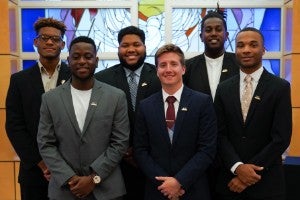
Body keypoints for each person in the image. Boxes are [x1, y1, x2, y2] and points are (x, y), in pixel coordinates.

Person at [37, 36, 130, 200]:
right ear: (68, 60)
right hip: (65, 190)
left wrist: (93, 179)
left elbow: (120, 142)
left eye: (88, 56)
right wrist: (70, 178)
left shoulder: (115, 97)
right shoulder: (50, 99)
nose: (82, 61)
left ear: (96, 60)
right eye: (76, 56)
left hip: (107, 191)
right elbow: (45, 143)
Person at [214, 27, 292, 200]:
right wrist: (237, 167)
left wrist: (248, 173)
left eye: (253, 45)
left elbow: (281, 137)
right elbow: (219, 134)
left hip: (267, 183)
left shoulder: (280, 87)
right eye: (240, 45)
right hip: (229, 182)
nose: (246, 50)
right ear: (235, 50)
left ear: (263, 49)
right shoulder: (223, 88)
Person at [133, 44, 217, 200]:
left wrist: (180, 181)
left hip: (193, 189)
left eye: (174, 64)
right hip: (158, 189)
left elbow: (207, 149)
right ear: (157, 71)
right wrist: (167, 184)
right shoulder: (145, 106)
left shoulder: (202, 102)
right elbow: (140, 150)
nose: (168, 69)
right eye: (162, 65)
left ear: (183, 69)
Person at [5, 17, 70, 200]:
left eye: (55, 39)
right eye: (44, 38)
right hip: (33, 171)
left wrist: (61, 166)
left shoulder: (75, 77)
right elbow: (14, 126)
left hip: (71, 170)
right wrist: (42, 164)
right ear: (35, 42)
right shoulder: (19, 80)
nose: (49, 42)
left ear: (63, 44)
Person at [94, 25, 161, 199]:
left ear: (145, 47)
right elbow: (99, 120)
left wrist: (141, 152)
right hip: (115, 164)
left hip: (153, 161)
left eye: (136, 44)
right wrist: (122, 149)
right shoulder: (102, 79)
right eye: (125, 45)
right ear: (118, 49)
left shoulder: (160, 76)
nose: (131, 49)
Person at [183, 10, 239, 100]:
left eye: (218, 29)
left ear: (226, 35)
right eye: (208, 30)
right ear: (201, 36)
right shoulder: (189, 67)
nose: (213, 33)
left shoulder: (239, 64)